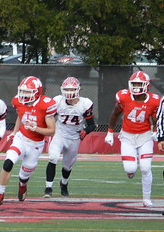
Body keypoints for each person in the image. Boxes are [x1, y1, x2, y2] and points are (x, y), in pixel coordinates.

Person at [0, 76, 56, 209]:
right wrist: (14, 132)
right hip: (21, 138)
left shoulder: (46, 105)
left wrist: (35, 128)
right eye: (22, 91)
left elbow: (52, 131)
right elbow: (21, 116)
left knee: (25, 174)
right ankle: (0, 194)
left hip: (36, 144)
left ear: (37, 92)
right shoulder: (18, 101)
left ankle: (22, 184)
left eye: (28, 92)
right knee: (8, 162)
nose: (24, 95)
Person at [105, 70, 162, 208]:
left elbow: (155, 118)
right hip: (127, 136)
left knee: (146, 167)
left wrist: (155, 131)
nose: (136, 86)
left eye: (139, 84)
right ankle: (131, 171)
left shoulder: (154, 100)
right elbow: (115, 114)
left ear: (146, 85)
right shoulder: (123, 97)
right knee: (130, 168)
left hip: (145, 136)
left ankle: (146, 199)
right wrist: (110, 132)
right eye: (134, 83)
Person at [44, 77, 96, 197]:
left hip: (74, 136)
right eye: (67, 89)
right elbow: (49, 117)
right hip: (60, 133)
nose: (69, 92)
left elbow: (92, 125)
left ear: (78, 90)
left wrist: (85, 131)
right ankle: (48, 188)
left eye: (72, 89)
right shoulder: (58, 101)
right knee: (53, 157)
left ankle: (64, 183)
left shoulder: (85, 104)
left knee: (67, 166)